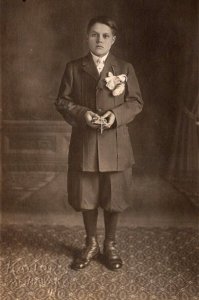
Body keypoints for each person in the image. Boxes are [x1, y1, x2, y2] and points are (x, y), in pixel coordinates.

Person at [55, 16, 143, 271]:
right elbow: (61, 101)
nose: (100, 39)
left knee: (114, 196)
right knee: (87, 195)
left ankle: (110, 244)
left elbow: (136, 102)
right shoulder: (74, 67)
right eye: (95, 34)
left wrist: (115, 116)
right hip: (85, 142)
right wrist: (83, 114)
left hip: (116, 145)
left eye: (105, 35)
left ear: (113, 40)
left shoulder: (125, 68)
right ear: (87, 37)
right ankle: (91, 242)